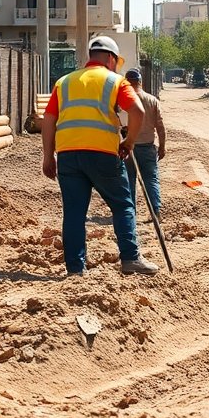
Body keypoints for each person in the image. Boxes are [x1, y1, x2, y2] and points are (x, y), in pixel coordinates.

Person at [41, 36, 159, 277]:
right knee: (123, 204)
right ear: (110, 58)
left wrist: (47, 156)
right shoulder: (116, 81)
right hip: (103, 154)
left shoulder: (63, 83)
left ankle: (75, 269)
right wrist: (130, 141)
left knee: (74, 212)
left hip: (68, 156)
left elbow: (49, 120)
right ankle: (130, 258)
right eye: (116, 62)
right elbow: (137, 111)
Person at [119, 68, 166, 217]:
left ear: (126, 82)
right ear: (140, 81)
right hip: (147, 146)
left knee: (128, 180)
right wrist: (162, 147)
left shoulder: (122, 101)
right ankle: (155, 211)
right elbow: (160, 127)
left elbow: (116, 123)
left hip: (127, 148)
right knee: (151, 179)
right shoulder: (152, 100)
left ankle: (130, 212)